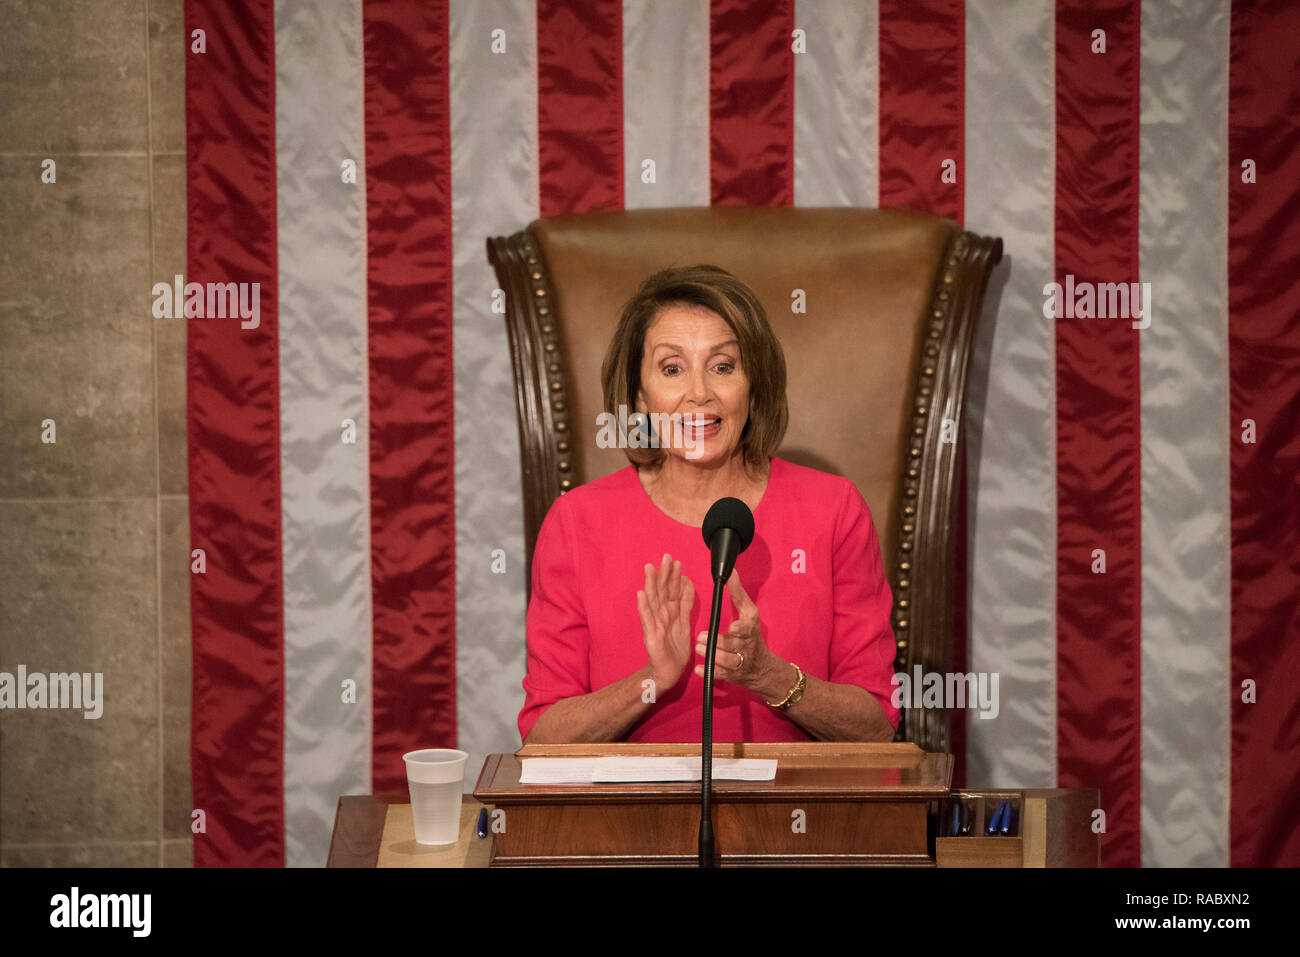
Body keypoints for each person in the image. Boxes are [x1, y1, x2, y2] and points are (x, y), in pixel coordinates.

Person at [518, 264, 899, 744]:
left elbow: (877, 728)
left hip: (794, 813)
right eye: (672, 369)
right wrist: (653, 680)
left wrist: (770, 676)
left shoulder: (833, 510)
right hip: (628, 818)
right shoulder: (577, 522)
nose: (699, 393)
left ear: (753, 388)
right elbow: (542, 739)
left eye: (723, 366)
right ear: (639, 397)